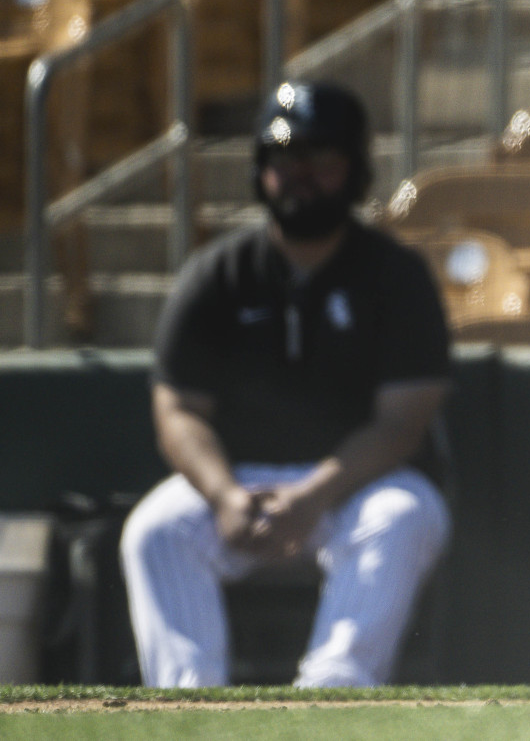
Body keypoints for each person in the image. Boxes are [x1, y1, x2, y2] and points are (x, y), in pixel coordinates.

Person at [121, 82, 451, 688]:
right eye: (285, 161)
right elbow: (178, 411)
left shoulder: (395, 275)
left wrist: (312, 497)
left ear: (354, 171)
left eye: (321, 162)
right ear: (261, 171)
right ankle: (189, 706)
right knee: (156, 528)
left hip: (356, 486)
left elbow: (401, 424)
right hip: (241, 484)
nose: (301, 177)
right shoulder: (216, 275)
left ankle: (331, 694)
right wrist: (222, 494)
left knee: (405, 514)